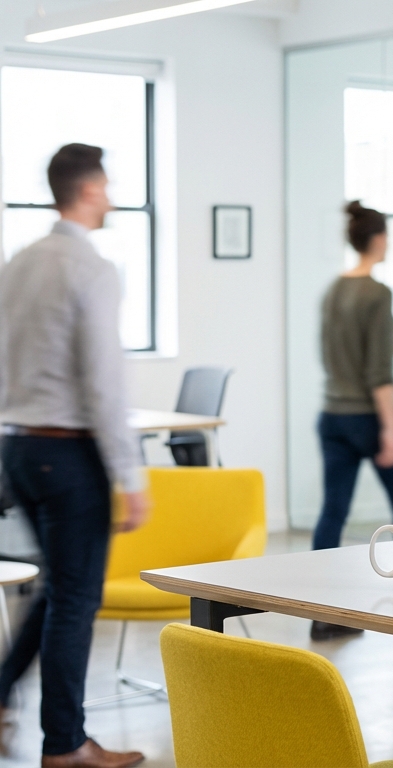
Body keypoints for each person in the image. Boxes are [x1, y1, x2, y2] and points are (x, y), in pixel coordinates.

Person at [0, 143, 149, 768]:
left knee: (59, 588)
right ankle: (64, 745)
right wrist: (130, 474)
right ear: (87, 191)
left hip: (18, 448)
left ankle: (1, 695)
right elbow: (104, 384)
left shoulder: (20, 262)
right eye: (107, 185)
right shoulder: (90, 266)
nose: (111, 196)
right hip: (69, 457)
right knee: (75, 601)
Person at [311, 201, 393, 640]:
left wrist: (388, 344)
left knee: (332, 512)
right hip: (368, 418)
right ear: (377, 239)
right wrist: (390, 429)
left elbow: (341, 351)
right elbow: (378, 376)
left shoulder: (333, 289)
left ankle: (322, 614)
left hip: (332, 414)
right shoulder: (378, 293)